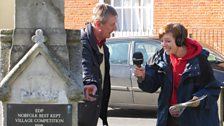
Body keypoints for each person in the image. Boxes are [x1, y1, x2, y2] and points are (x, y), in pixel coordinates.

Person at [134, 23, 220, 126]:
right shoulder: (159, 58)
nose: (163, 44)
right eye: (162, 41)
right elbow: (151, 86)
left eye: (168, 41)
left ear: (180, 41)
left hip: (194, 119)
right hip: (168, 118)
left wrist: (199, 99)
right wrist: (143, 77)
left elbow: (212, 89)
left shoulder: (199, 60)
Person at [78, 3, 117, 126]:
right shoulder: (82, 42)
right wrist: (90, 83)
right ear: (98, 24)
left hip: (94, 109)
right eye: (112, 24)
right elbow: (85, 66)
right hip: (82, 111)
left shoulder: (104, 47)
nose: (115, 28)